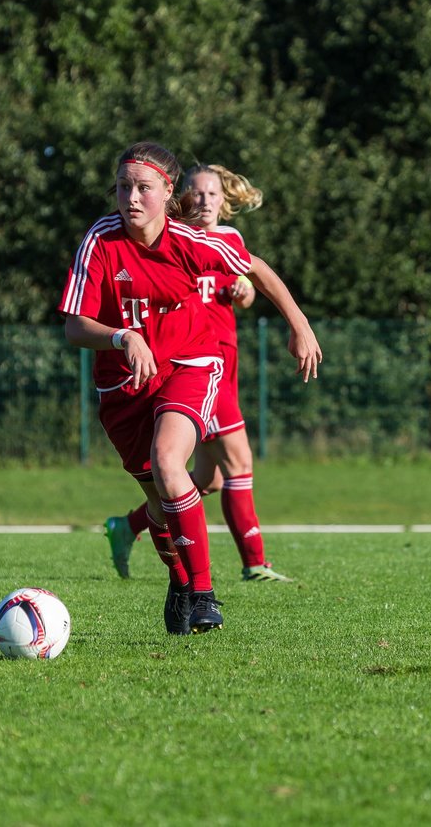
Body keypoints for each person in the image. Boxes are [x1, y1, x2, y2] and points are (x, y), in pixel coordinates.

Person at [60, 142, 321, 636]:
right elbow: (75, 327)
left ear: (167, 193)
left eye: (144, 188)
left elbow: (256, 268)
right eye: (123, 186)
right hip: (123, 385)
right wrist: (122, 336)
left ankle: (203, 594)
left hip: (191, 364)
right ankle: (181, 582)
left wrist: (299, 325)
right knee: (159, 502)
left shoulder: (191, 240)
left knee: (169, 462)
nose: (131, 197)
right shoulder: (100, 240)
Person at [103, 164, 294, 583]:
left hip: (224, 366)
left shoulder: (229, 241)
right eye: (196, 192)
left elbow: (239, 289)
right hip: (198, 367)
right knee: (238, 463)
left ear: (225, 200)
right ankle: (254, 562)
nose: (204, 200)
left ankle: (129, 526)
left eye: (212, 193)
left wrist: (241, 292)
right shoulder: (171, 239)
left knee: (208, 477)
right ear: (181, 197)